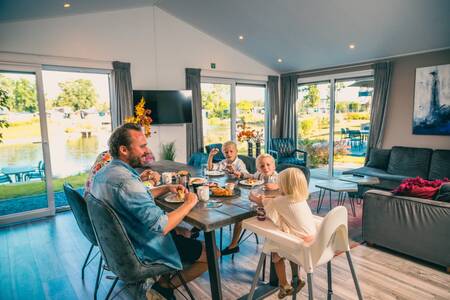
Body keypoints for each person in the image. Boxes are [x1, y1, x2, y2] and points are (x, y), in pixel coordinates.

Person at [89, 123, 209, 300]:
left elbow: (132, 197)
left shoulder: (105, 174)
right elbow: (163, 226)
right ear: (123, 149)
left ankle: (163, 279)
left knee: (183, 232)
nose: (147, 150)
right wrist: (189, 203)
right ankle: (164, 287)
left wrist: (166, 187)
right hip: (140, 250)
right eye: (142, 146)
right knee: (211, 253)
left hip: (117, 247)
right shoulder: (126, 182)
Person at [250, 167, 315, 299]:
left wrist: (252, 197)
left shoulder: (281, 201)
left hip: (300, 245)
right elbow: (279, 198)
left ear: (284, 185)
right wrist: (271, 196)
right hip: (313, 242)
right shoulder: (300, 198)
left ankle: (284, 285)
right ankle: (297, 277)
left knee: (275, 252)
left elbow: (263, 202)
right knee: (285, 244)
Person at [221, 153, 278, 256]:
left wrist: (277, 185)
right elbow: (251, 176)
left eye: (268, 164)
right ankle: (233, 245)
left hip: (269, 211)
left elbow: (284, 190)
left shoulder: (276, 178)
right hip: (258, 206)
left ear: (274, 166)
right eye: (262, 166)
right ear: (258, 168)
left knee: (241, 216)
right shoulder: (259, 175)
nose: (265, 168)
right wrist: (241, 174)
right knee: (240, 213)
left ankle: (233, 245)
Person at [83, 149, 158, 198]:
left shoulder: (106, 154)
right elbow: (133, 194)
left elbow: (121, 183)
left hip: (91, 203)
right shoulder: (115, 165)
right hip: (103, 215)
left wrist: (139, 178)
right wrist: (152, 182)